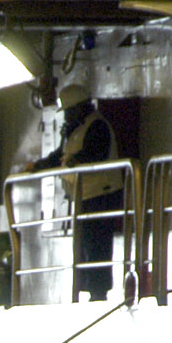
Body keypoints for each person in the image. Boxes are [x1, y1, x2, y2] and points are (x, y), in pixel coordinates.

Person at [32, 83, 122, 301]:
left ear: (79, 108)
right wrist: (40, 165)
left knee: (98, 244)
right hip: (84, 196)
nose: (67, 117)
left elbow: (94, 153)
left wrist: (75, 161)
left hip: (101, 194)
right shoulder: (75, 130)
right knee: (86, 245)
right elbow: (61, 155)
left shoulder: (97, 126)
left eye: (69, 111)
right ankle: (89, 288)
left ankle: (98, 291)